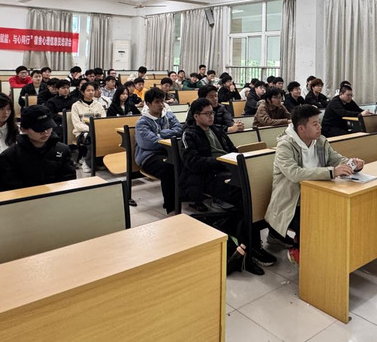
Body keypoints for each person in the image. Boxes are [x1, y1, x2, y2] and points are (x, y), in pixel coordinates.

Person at [180, 97, 276, 273]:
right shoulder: (189, 134)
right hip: (207, 176)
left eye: (212, 113)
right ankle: (250, 248)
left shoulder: (217, 129)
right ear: (196, 116)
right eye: (207, 114)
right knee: (246, 198)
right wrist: (220, 161)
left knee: (259, 190)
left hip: (227, 169)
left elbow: (233, 150)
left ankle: (253, 242)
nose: (211, 116)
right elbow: (192, 162)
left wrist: (232, 160)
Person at [265, 104, 364, 264]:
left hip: (317, 195)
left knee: (342, 214)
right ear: (301, 128)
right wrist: (331, 172)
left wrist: (351, 164)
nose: (320, 127)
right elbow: (295, 173)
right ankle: (301, 253)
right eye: (315, 124)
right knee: (315, 222)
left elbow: (335, 159)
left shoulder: (319, 141)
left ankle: (332, 254)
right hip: (292, 202)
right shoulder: (285, 146)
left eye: (319, 123)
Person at [0, 105, 76, 190]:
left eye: (48, 127)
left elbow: (69, 181)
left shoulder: (63, 150)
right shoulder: (9, 156)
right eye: (39, 129)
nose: (45, 132)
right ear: (23, 129)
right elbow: (11, 187)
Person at [135, 88, 182, 213]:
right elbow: (149, 143)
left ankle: (187, 196)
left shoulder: (168, 115)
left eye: (162, 101)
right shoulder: (142, 122)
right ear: (148, 104)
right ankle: (171, 206)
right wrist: (167, 136)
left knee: (188, 160)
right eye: (157, 102)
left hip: (168, 151)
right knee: (169, 167)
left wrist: (161, 134)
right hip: (149, 156)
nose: (161, 105)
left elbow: (179, 129)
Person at [69, 81, 106, 172]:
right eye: (88, 90)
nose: (91, 92)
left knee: (106, 138)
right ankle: (88, 163)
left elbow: (103, 119)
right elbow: (77, 124)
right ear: (82, 92)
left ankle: (97, 162)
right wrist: (91, 129)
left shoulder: (98, 105)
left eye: (92, 90)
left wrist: (97, 128)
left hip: (98, 131)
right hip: (82, 132)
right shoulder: (76, 106)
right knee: (91, 138)